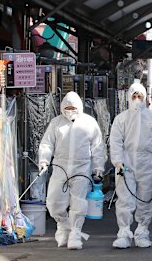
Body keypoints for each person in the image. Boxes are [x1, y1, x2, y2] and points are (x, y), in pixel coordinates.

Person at [38, 92, 104, 250]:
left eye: (73, 107)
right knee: (53, 202)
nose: (70, 110)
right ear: (62, 107)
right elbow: (47, 143)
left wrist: (98, 167)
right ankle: (63, 225)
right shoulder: (56, 123)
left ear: (79, 107)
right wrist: (44, 160)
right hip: (60, 166)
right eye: (67, 107)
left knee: (78, 202)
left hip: (81, 167)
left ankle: (75, 233)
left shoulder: (89, 123)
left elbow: (98, 147)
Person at [109, 83, 152, 249]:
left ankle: (142, 232)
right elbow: (116, 142)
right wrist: (118, 161)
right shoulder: (121, 118)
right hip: (126, 162)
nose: (137, 99)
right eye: (134, 96)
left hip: (147, 162)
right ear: (129, 98)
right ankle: (124, 233)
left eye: (139, 96)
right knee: (125, 199)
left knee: (144, 198)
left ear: (145, 98)